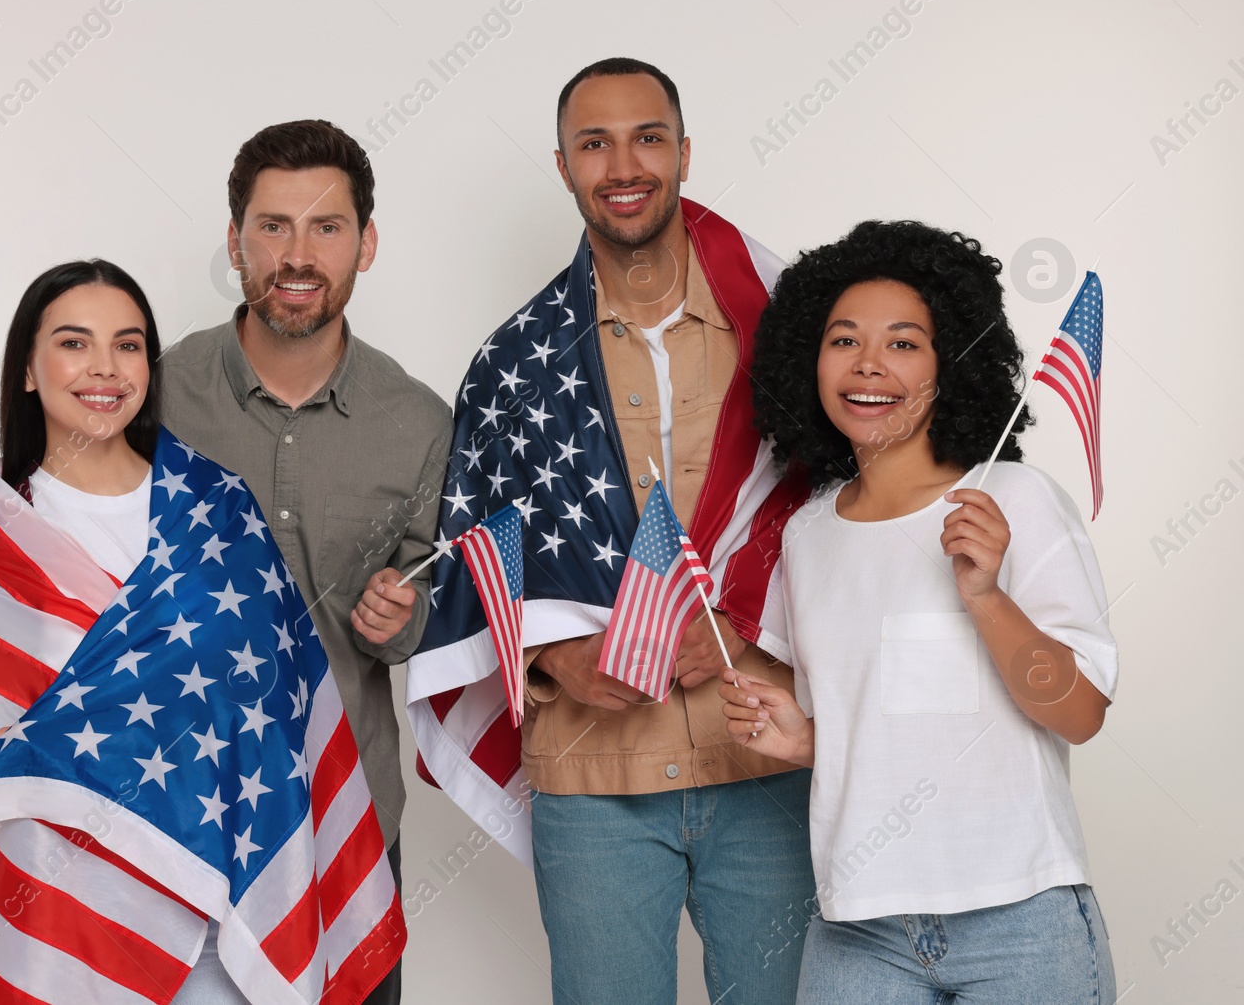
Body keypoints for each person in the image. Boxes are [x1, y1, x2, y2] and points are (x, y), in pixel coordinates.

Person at [0, 120, 452, 1004]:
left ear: (367, 241)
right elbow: (38, 581)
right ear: (235, 241)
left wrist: (406, 621)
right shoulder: (150, 388)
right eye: (273, 226)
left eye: (326, 226)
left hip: (325, 817)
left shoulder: (419, 420)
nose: (299, 253)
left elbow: (439, 601)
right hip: (128, 832)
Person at [409, 57, 815, 1005]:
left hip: (763, 753)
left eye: (646, 137)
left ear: (682, 152)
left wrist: (736, 629)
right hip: (593, 781)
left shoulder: (790, 333)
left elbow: (838, 506)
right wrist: (553, 660)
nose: (622, 163)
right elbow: (477, 552)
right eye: (595, 143)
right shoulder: (515, 361)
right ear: (563, 165)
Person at [719, 219, 1117, 1003]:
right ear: (810, 359)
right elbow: (898, 725)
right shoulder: (807, 535)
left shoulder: (1015, 500)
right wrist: (806, 741)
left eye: (904, 342)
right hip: (859, 929)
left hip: (1021, 917)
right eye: (844, 340)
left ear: (951, 364)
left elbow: (1079, 713)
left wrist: (985, 595)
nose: (870, 364)